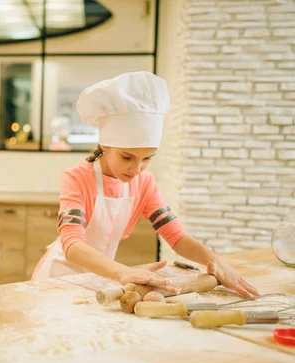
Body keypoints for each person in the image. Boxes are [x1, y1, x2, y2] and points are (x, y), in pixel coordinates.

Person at [31, 71, 259, 298]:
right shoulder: (77, 178)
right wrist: (123, 272)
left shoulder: (145, 183)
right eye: (127, 157)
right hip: (57, 279)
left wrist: (216, 261)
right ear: (106, 145)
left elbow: (176, 237)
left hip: (100, 279)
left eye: (147, 159)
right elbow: (72, 246)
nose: (137, 169)